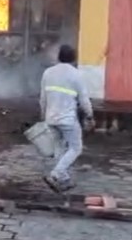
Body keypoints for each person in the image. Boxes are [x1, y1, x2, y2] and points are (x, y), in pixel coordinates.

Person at [40, 45, 94, 192]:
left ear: (59, 57)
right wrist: (89, 115)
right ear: (74, 58)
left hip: (50, 117)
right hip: (68, 119)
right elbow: (84, 100)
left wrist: (43, 114)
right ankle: (56, 174)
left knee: (59, 148)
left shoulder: (48, 73)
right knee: (76, 148)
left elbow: (43, 98)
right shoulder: (76, 75)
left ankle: (63, 179)